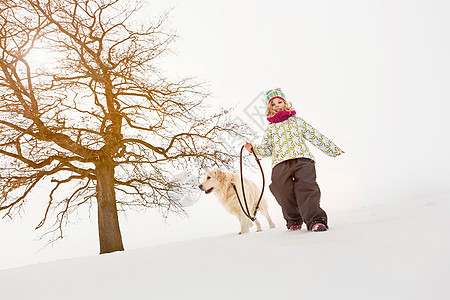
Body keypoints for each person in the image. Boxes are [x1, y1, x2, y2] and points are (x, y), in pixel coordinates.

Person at [244, 88, 344, 232]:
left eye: (280, 102)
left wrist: (332, 149)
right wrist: (253, 149)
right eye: (273, 104)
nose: (277, 105)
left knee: (307, 187)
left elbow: (314, 135)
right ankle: (293, 219)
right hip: (280, 163)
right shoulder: (271, 128)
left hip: (302, 159)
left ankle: (315, 220)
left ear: (285, 103)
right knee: (280, 189)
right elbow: (267, 148)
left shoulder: (297, 121)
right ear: (269, 108)